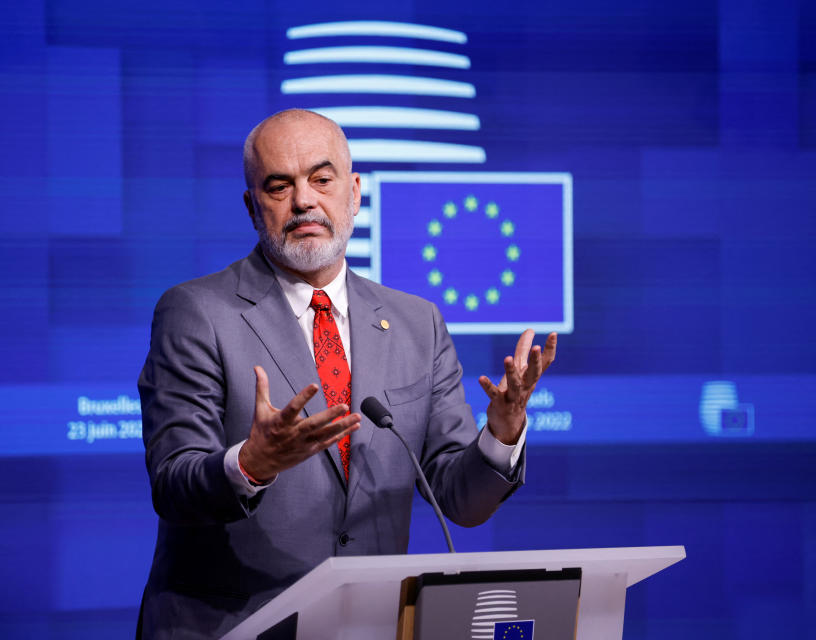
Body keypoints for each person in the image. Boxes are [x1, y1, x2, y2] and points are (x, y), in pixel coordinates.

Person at [136, 109, 557, 639]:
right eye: (278, 186)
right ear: (251, 206)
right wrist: (251, 463)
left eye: (321, 179)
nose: (303, 200)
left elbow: (460, 499)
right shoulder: (196, 312)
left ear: (354, 192)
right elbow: (174, 484)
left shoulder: (416, 323)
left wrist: (502, 431)